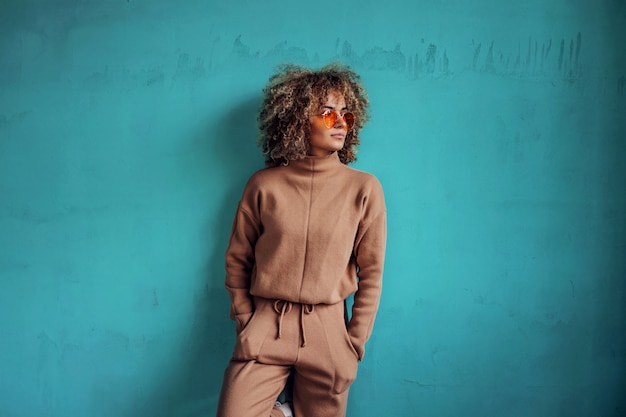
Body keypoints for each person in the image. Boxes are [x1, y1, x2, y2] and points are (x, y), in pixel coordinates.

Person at [216, 63, 387, 417]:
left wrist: (353, 342)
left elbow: (371, 273)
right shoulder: (263, 185)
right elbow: (237, 260)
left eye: (345, 115)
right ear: (296, 119)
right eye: (327, 113)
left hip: (329, 334)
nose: (340, 123)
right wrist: (246, 319)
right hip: (266, 327)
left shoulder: (364, 188)